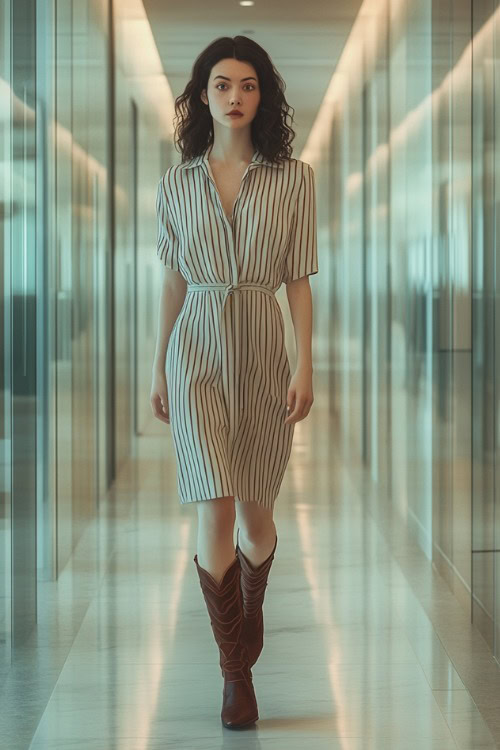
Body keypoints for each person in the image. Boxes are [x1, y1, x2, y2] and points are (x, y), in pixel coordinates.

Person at [150, 35, 318, 730]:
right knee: (212, 506)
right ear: (203, 95)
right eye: (221, 85)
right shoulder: (175, 183)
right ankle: (234, 673)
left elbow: (300, 280)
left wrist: (306, 362)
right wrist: (158, 362)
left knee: (255, 514)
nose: (235, 97)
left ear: (263, 95)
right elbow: (174, 279)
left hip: (261, 349)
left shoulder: (294, 179)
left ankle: (247, 614)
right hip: (195, 357)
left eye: (247, 85)